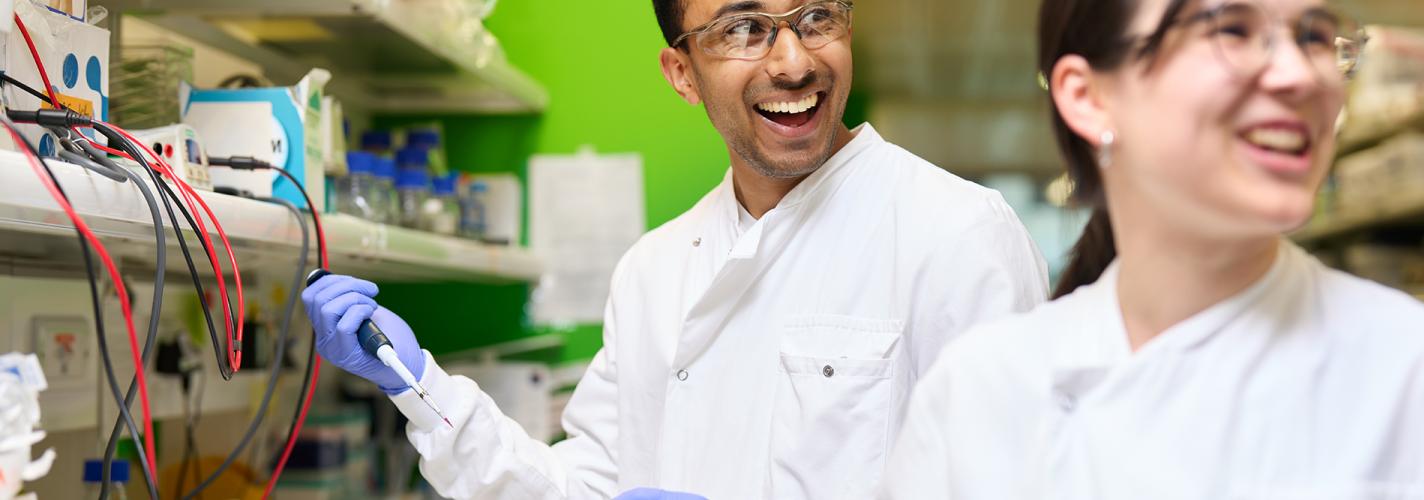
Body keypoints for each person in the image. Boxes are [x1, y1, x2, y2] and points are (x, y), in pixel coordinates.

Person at [301, 0, 1050, 498]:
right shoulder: (656, 268)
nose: (793, 62)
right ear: (682, 72)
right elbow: (585, 487)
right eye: (744, 28)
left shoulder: (957, 234)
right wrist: (418, 385)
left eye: (817, 16)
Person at [883, 0, 1424, 498]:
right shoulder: (977, 397)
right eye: (1231, 27)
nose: (1298, 75)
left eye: (1314, 35)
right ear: (1089, 96)